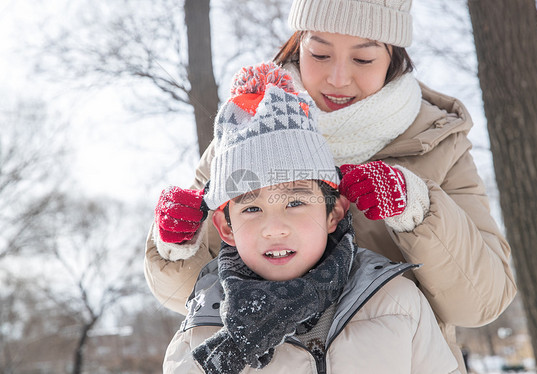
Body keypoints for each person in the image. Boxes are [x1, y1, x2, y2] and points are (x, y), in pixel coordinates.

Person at [146, 1, 517, 371]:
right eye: (320, 54)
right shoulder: (241, 133)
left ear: (394, 58)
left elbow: (480, 302)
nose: (338, 78)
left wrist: (417, 208)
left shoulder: (438, 143)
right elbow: (190, 294)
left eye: (363, 59)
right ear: (297, 44)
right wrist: (176, 244)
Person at [163, 63, 460, 373]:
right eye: (251, 208)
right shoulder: (199, 333)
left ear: (334, 213)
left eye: (295, 202)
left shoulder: (396, 302)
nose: (274, 228)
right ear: (226, 227)